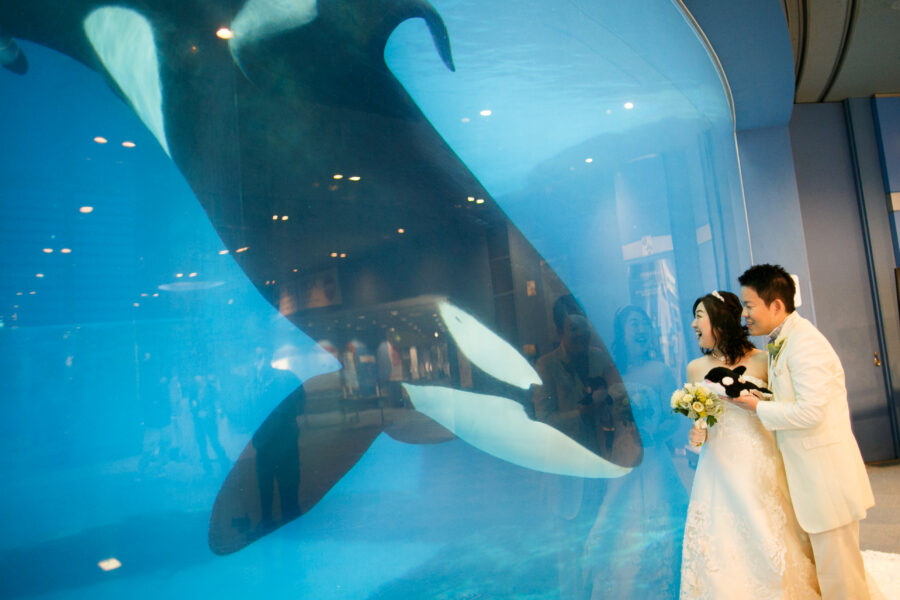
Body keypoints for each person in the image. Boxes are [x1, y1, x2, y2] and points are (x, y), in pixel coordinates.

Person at [731, 264, 880, 599]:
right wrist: (764, 396)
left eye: (749, 305)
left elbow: (812, 412)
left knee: (841, 579)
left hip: (827, 481)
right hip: (813, 481)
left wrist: (758, 408)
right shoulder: (786, 340)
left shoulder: (805, 344)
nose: (744, 315)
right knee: (832, 574)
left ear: (777, 306)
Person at [680, 289, 820, 599]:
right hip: (717, 466)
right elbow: (700, 421)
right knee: (720, 540)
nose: (693, 324)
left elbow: (784, 408)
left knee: (768, 530)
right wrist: (696, 433)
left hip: (760, 459)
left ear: (720, 321)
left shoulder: (763, 360)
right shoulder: (694, 368)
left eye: (699, 316)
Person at [582, 305, 687, 600]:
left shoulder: (660, 370)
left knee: (657, 527)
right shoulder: (612, 372)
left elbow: (674, 418)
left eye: (644, 324)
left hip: (653, 462)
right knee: (619, 530)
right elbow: (605, 420)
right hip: (622, 459)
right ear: (623, 333)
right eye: (634, 324)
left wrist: (653, 435)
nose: (641, 330)